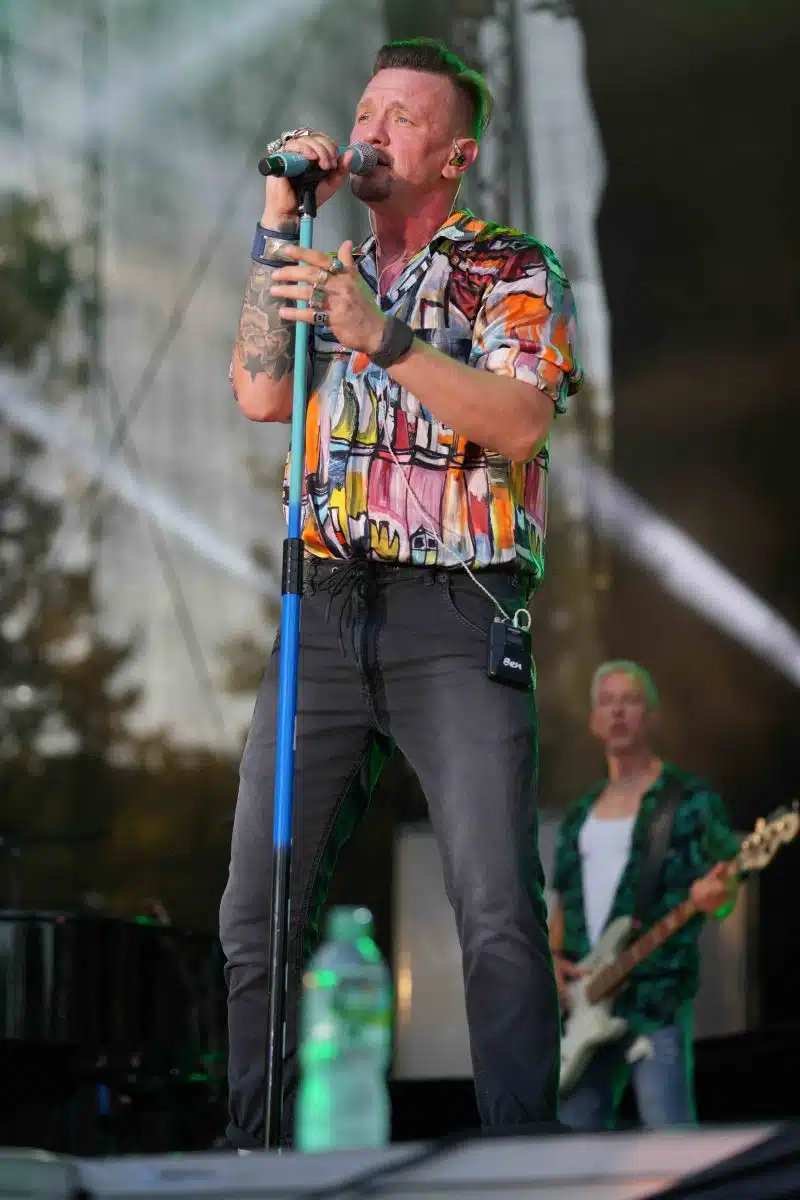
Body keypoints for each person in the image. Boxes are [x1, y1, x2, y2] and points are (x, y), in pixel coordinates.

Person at [219, 37, 582, 1149]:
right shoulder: (323, 261)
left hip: (457, 607)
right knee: (256, 909)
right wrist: (279, 221)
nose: (370, 131)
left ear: (454, 157)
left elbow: (521, 424)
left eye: (402, 119)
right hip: (324, 609)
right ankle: (251, 1153)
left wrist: (384, 340)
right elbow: (258, 395)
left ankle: (520, 1155)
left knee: (493, 905)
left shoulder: (509, 268)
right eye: (366, 110)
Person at [550, 660, 738, 1131]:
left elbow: (728, 884)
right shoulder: (579, 815)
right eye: (606, 702)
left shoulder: (689, 800)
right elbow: (562, 902)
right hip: (583, 1002)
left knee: (670, 1148)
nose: (617, 711)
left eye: (630, 700)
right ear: (594, 721)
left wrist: (719, 897)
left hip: (655, 1000)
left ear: (652, 716)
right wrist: (552, 959)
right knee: (571, 1155)